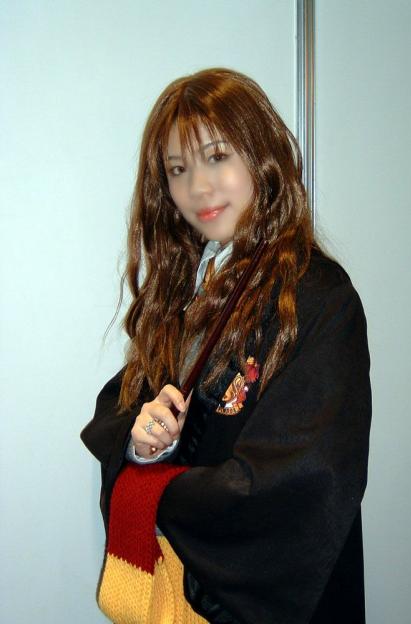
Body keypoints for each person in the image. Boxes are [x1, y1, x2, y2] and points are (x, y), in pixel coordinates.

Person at [81, 67, 371, 624]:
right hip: (188, 588)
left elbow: (303, 481)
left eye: (217, 157)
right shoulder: (186, 288)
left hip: (276, 597)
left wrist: (157, 491)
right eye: (178, 169)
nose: (198, 187)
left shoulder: (318, 296)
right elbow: (122, 409)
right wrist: (146, 446)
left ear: (262, 156)